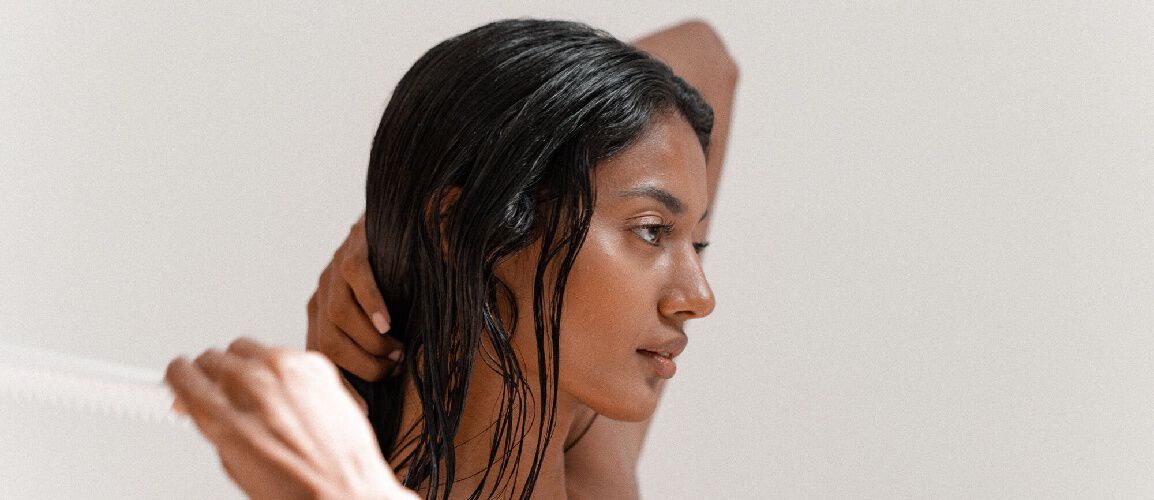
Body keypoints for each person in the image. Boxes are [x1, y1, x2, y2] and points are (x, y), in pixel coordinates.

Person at [167, 18, 737, 500]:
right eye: (652, 230)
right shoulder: (594, 472)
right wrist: (420, 217)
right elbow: (702, 57)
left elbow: (703, 53)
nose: (699, 298)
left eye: (697, 242)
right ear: (477, 229)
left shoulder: (337, 478)